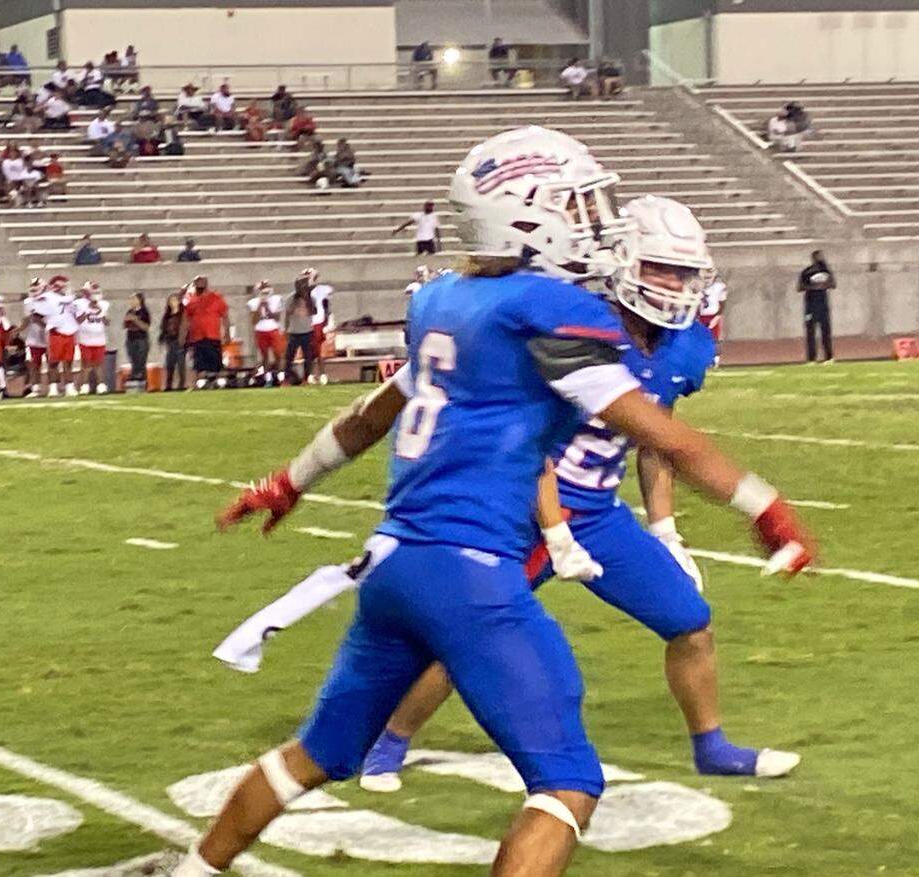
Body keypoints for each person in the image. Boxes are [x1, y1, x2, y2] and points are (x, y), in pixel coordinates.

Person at [185, 126, 816, 877]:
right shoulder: (549, 309)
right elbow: (665, 438)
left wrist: (288, 480)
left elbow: (370, 416)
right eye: (578, 205)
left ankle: (194, 868)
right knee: (569, 781)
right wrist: (764, 504)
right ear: (529, 214)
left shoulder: (445, 300)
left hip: (394, 563)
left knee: (312, 755)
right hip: (476, 566)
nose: (595, 222)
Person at [34, 275, 79, 396]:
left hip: (69, 331)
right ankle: (53, 387)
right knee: (53, 361)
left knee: (68, 361)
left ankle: (69, 386)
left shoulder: (70, 298)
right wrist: (48, 325)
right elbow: (36, 315)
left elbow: (75, 314)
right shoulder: (48, 297)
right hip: (56, 332)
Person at [184, 276, 228, 389]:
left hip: (213, 335)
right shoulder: (190, 299)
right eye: (197, 282)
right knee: (199, 364)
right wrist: (185, 335)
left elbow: (225, 316)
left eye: (201, 282)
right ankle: (201, 385)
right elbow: (186, 318)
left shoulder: (216, 297)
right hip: (197, 337)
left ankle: (219, 384)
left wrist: (227, 332)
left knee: (216, 362)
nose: (199, 284)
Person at [799, 250, 835, 364]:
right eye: (819, 257)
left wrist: (824, 285)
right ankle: (811, 358)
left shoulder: (826, 271)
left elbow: (833, 284)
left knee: (826, 331)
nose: (821, 259)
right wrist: (814, 287)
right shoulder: (807, 272)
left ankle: (829, 357)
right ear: (813, 258)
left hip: (823, 305)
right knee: (811, 332)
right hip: (811, 305)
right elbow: (800, 287)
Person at [74, 281, 109, 394]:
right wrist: (87, 310)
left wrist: (100, 311)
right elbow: (78, 321)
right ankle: (85, 385)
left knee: (99, 364)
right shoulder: (79, 304)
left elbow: (107, 322)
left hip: (100, 339)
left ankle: (101, 385)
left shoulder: (104, 304)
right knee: (86, 364)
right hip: (85, 339)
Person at [247, 280, 283, 384]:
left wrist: (267, 307)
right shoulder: (253, 302)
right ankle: (268, 378)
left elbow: (277, 318)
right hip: (260, 330)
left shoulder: (276, 300)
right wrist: (260, 306)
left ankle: (280, 377)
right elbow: (254, 321)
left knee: (278, 354)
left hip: (273, 329)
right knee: (264, 356)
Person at [283, 276, 316, 385]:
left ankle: (305, 379)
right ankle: (286, 379)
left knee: (308, 357)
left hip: (307, 331)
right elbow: (288, 314)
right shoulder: (291, 298)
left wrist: (307, 299)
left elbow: (313, 311)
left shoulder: (311, 299)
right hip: (294, 332)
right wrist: (286, 329)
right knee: (289, 357)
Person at [19, 277, 48, 397]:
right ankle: (36, 387)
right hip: (33, 336)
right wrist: (18, 330)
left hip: (48, 335)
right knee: (34, 364)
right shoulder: (28, 302)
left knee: (53, 363)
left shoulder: (49, 300)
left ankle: (54, 387)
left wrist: (40, 322)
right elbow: (26, 320)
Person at [304, 267, 332, 385]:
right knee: (310, 350)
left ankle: (321, 374)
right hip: (307, 322)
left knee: (317, 350)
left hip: (317, 321)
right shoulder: (302, 291)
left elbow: (326, 306)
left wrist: (327, 320)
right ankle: (311, 374)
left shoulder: (322, 290)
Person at [698, 266, 728, 366]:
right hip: (700, 316)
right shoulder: (697, 287)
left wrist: (717, 316)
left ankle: (715, 359)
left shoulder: (719, 287)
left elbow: (722, 303)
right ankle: (703, 359)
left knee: (714, 338)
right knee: (699, 338)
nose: (707, 279)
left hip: (712, 315)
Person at [159, 291, 187, 391]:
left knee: (181, 364)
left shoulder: (183, 314)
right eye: (171, 301)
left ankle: (182, 384)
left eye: (175, 300)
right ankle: (168, 385)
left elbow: (185, 327)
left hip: (179, 341)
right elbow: (163, 327)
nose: (173, 302)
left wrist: (182, 340)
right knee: (170, 363)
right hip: (170, 341)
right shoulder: (167, 315)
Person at [124, 292, 151, 387]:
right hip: (130, 339)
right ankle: (134, 381)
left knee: (141, 362)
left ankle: (143, 382)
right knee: (133, 360)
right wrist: (127, 320)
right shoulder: (129, 311)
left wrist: (135, 319)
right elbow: (125, 326)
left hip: (141, 339)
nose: (132, 301)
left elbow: (146, 327)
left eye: (134, 299)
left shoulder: (144, 312)